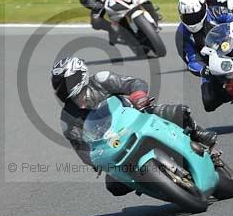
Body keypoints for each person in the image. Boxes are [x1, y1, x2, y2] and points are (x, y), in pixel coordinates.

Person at [52, 56, 217, 196]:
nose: (77, 102)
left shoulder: (101, 80)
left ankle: (197, 133)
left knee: (178, 112)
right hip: (114, 144)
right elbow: (81, 148)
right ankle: (158, 186)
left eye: (78, 95)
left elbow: (133, 83)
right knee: (113, 186)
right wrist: (96, 161)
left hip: (138, 117)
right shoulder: (68, 118)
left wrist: (138, 97)